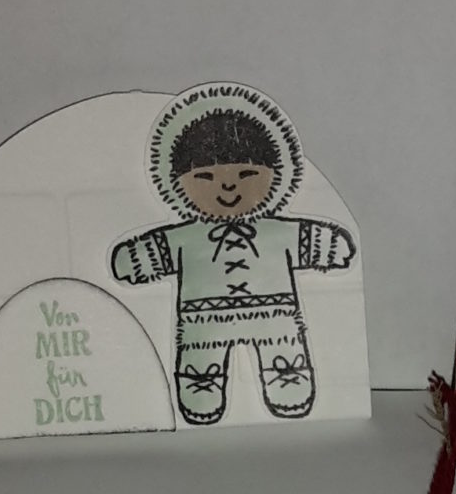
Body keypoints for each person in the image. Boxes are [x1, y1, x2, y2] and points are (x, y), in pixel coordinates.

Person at [110, 86, 356, 423]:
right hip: (204, 321)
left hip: (274, 316)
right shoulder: (185, 238)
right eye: (204, 177)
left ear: (275, 174)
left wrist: (328, 245)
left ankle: (288, 385)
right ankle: (201, 392)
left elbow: (310, 239)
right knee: (200, 360)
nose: (227, 186)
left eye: (247, 174)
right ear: (177, 182)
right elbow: (152, 252)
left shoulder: (278, 232)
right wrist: (136, 259)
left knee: (284, 354)